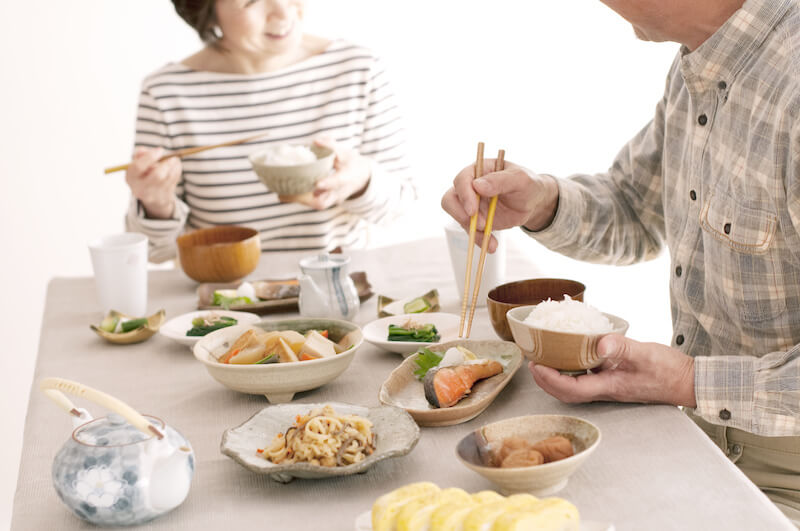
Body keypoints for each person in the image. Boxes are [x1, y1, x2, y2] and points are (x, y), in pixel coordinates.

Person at [442, 0, 800, 523]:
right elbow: (637, 207)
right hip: (695, 439)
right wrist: (543, 201)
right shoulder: (701, 64)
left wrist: (688, 381)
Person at [125, 0, 415, 262]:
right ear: (205, 11)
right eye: (252, 1)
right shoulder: (165, 93)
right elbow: (154, 251)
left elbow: (403, 205)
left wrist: (361, 180)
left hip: (337, 292)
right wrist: (155, 204)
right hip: (226, 302)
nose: (283, 11)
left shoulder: (356, 68)